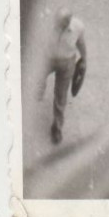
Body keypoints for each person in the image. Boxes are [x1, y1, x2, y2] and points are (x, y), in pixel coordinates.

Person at [38, 9, 87, 145]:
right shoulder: (46, 25)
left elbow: (81, 43)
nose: (59, 26)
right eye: (57, 23)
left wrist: (84, 59)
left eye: (62, 24)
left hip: (67, 63)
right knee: (38, 78)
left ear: (68, 22)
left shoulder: (77, 27)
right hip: (48, 59)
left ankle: (57, 127)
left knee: (61, 96)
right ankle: (40, 88)